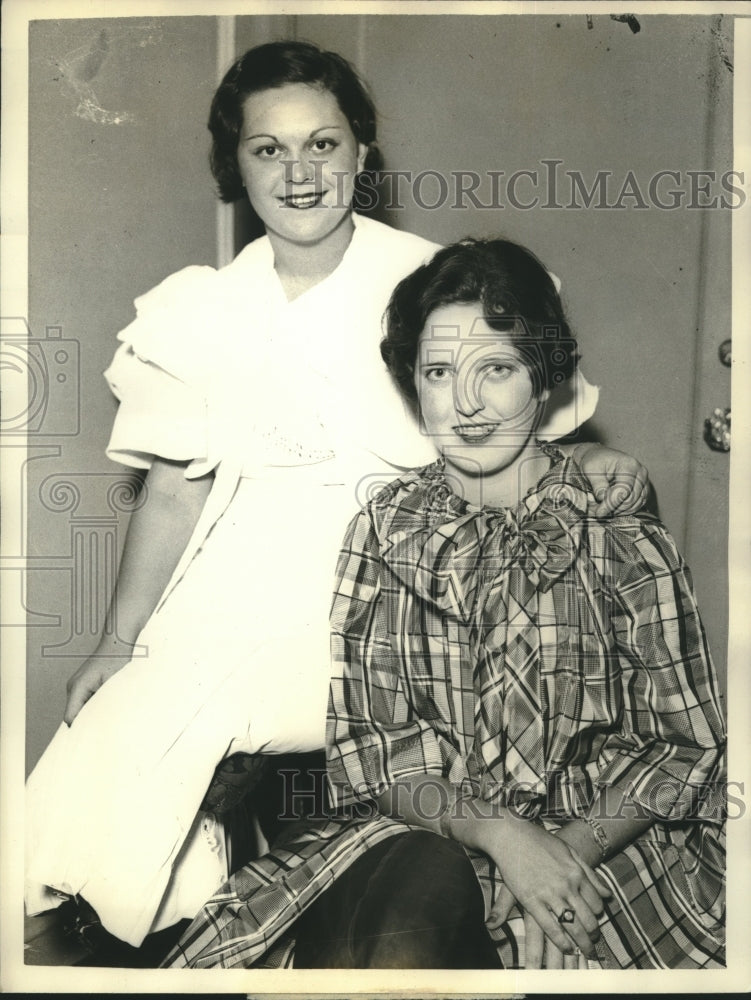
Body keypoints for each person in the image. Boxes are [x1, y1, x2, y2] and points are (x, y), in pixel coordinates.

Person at [25, 42, 649, 951]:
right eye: (268, 150)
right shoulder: (198, 308)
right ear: (233, 167)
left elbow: (529, 419)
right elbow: (170, 495)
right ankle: (118, 939)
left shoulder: (436, 279)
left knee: (207, 734)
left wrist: (591, 462)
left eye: (323, 144)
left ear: (361, 154)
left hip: (397, 587)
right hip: (233, 584)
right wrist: (119, 643)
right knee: (109, 736)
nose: (300, 172)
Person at [164, 238, 725, 972]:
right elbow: (376, 755)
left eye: (495, 368)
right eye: (437, 372)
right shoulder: (385, 527)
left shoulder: (617, 526)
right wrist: (505, 838)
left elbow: (685, 747)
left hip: (604, 839)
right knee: (388, 920)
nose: (464, 403)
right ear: (411, 384)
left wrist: (557, 862)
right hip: (431, 824)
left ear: (544, 376)